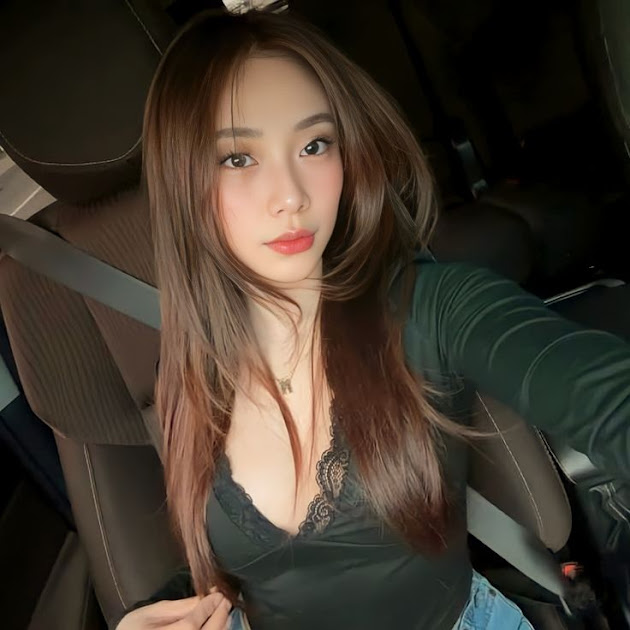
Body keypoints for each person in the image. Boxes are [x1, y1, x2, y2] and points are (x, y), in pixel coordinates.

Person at [115, 8, 630, 630]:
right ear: (183, 181)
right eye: (239, 158)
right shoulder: (190, 364)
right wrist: (152, 617)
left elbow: (611, 401)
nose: (291, 195)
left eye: (314, 145)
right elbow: (244, 567)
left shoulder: (429, 308)